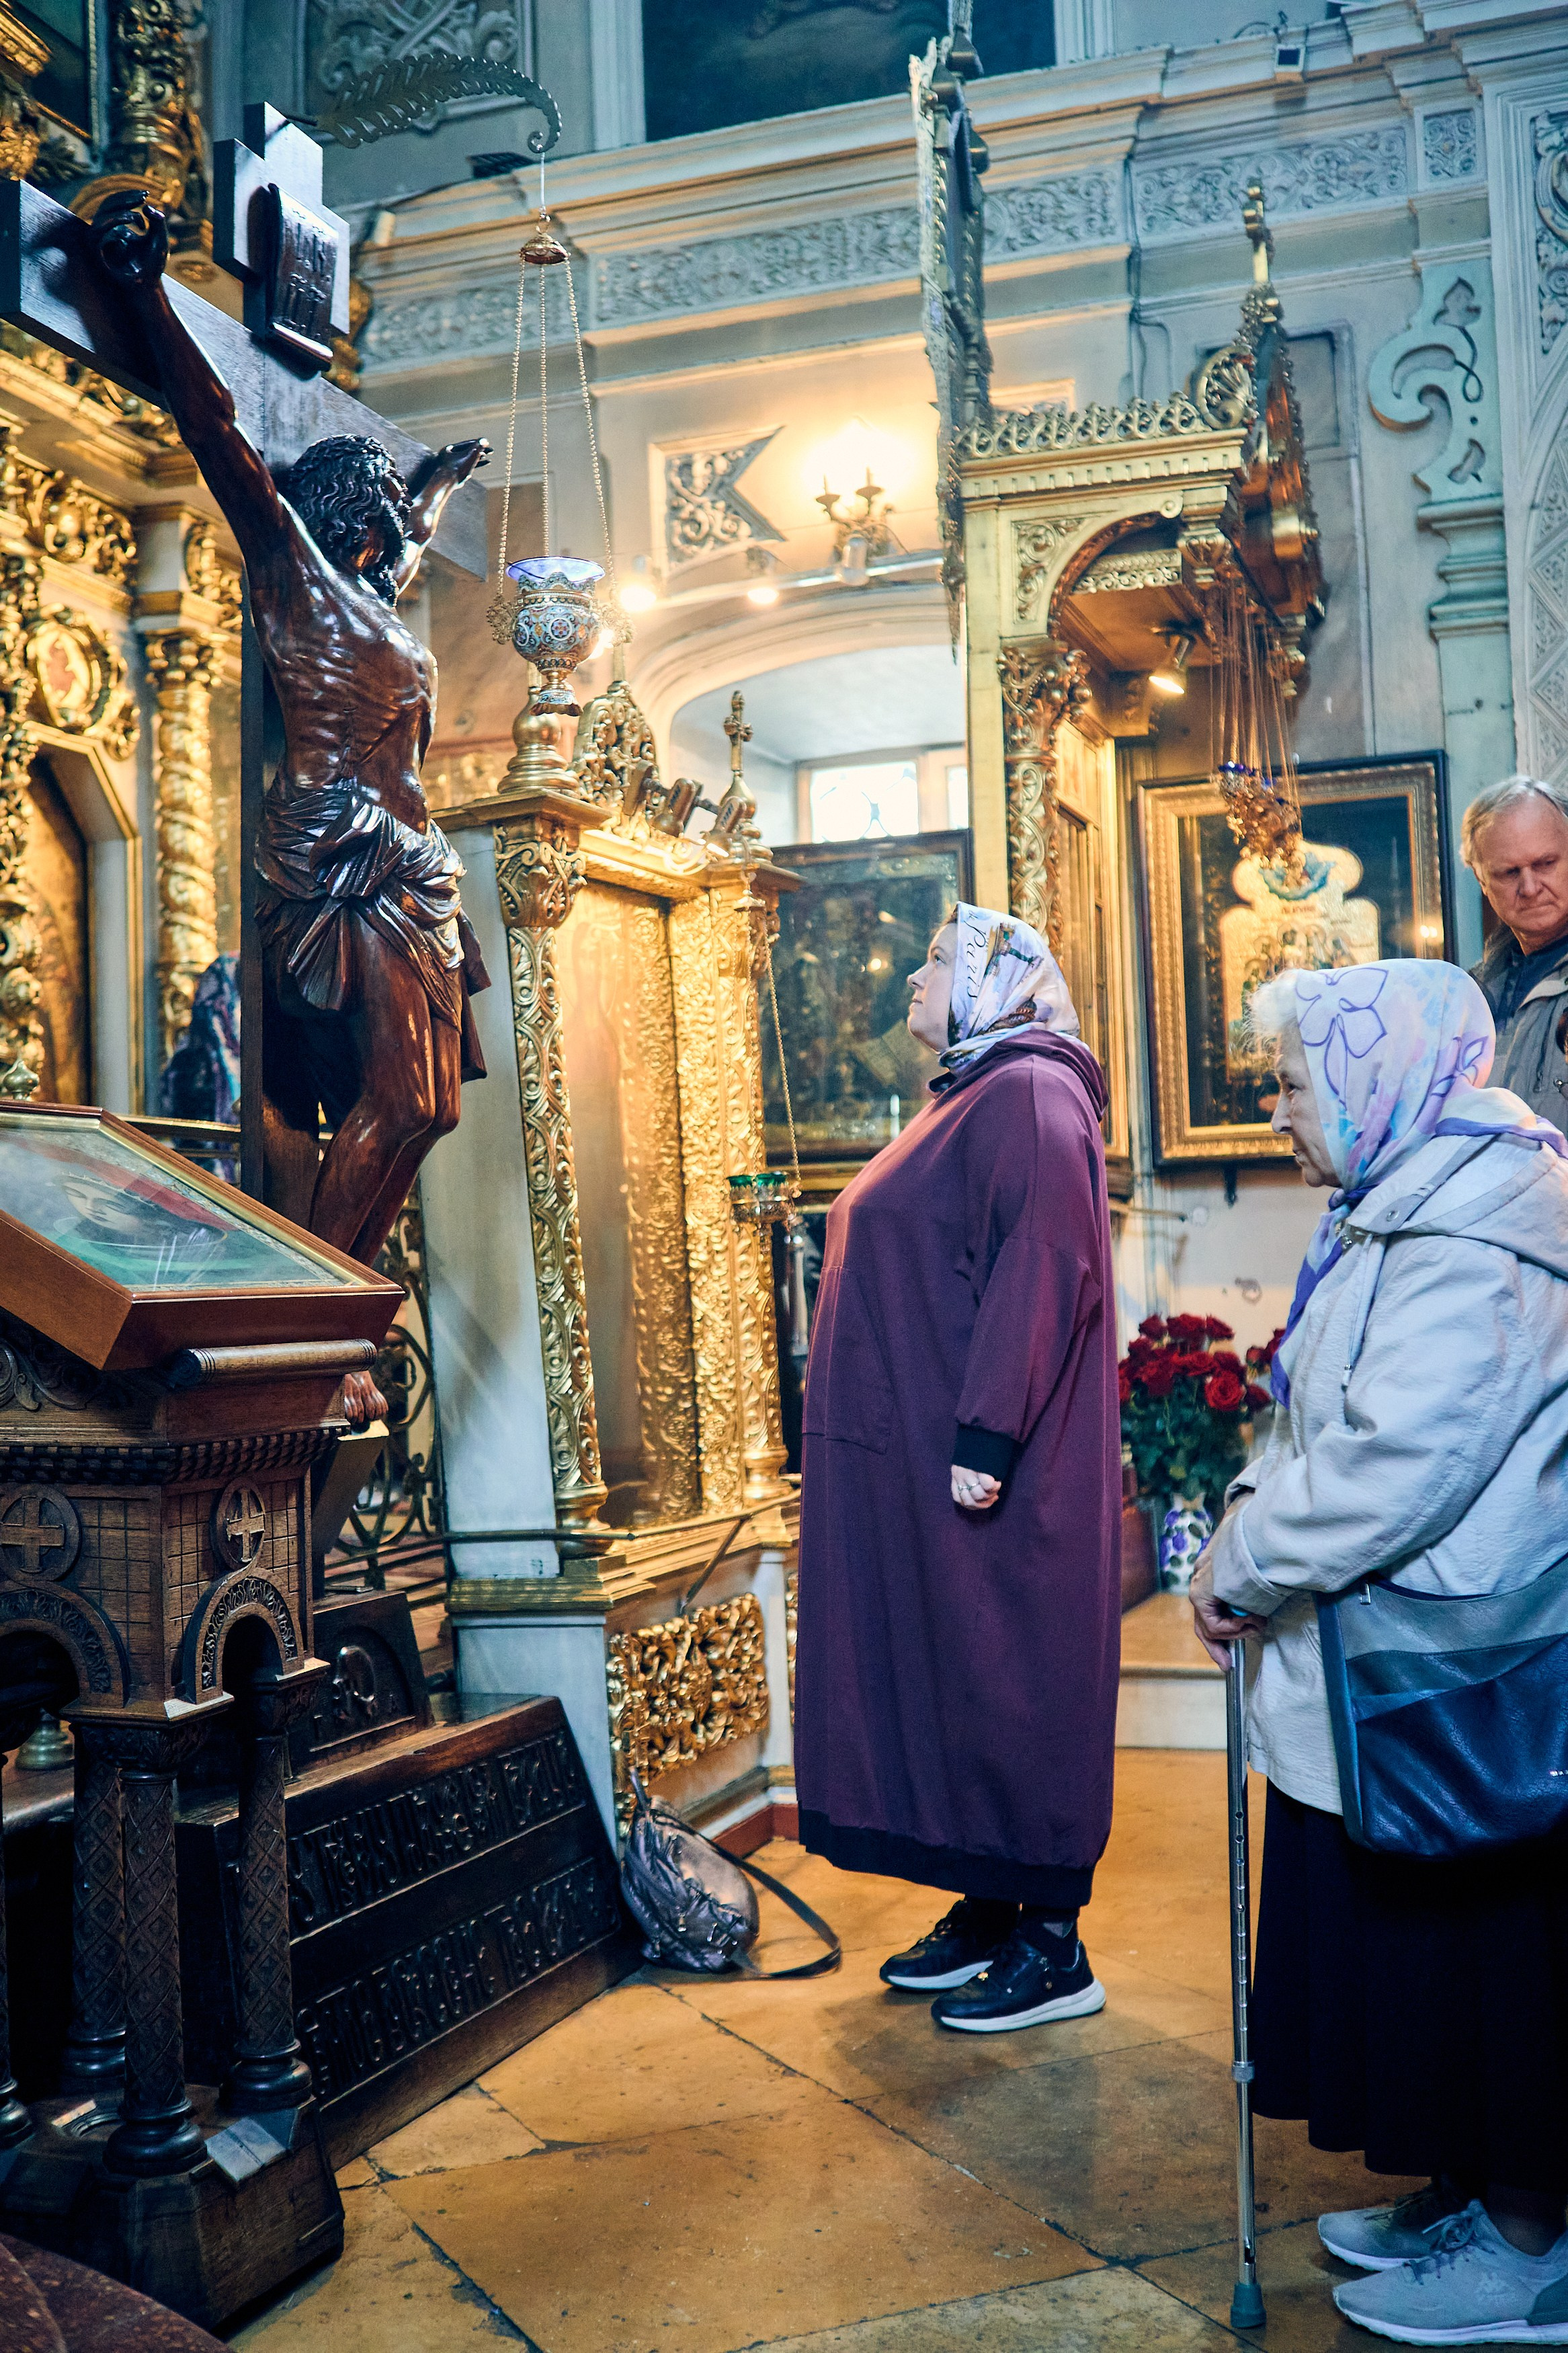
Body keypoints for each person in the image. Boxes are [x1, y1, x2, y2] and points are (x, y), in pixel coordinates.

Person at [1189, 957, 1568, 2344]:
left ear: (1370, 1072)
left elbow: (1400, 1456)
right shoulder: (1399, 1203)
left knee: (1482, 1949)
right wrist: (1245, 1517)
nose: (1277, 1109)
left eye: (1291, 1081)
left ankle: (1533, 2246)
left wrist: (1249, 1560)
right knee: (1424, 1948)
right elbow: (1314, 1417)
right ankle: (1480, 2185)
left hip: (1460, 1659)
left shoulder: (1476, 1222)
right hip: (1398, 1640)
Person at [794, 902, 1122, 2034]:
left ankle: (1051, 1943)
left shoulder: (1029, 1093)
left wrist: (984, 1437)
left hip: (994, 1465)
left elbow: (1044, 1265)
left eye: (938, 959)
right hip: (927, 1462)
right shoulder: (976, 1092)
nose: (915, 975)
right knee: (959, 1674)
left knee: (1013, 1677)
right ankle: (989, 1899)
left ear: (999, 981)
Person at [1464, 774, 1568, 1121]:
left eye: (1545, 864)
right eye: (1509, 872)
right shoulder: (1465, 998)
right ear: (1481, 880)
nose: (1529, 887)